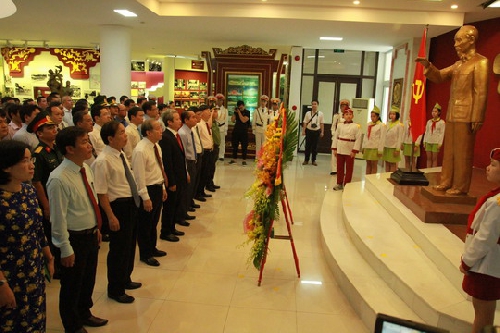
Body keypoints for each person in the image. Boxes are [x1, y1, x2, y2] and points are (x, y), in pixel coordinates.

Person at [47, 126, 108, 333]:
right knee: (72, 285)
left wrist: (97, 227)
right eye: (83, 142)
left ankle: (85, 312)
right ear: (69, 149)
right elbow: (58, 219)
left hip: (90, 233)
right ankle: (72, 325)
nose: (89, 146)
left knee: (88, 279)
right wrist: (65, 248)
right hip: (73, 239)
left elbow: (90, 203)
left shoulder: (85, 168)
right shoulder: (59, 178)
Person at [416, 25, 488, 195]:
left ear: (471, 40)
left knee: (462, 153)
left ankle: (460, 186)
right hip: (452, 113)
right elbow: (440, 76)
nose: (455, 44)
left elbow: (481, 92)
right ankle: (446, 181)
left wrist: (478, 116)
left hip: (467, 115)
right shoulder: (457, 65)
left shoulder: (480, 62)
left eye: (459, 39)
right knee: (449, 152)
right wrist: (429, 66)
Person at [0, 140, 54, 333]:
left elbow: (38, 229)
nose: (32, 165)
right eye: (24, 161)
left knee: (35, 317)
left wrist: (47, 255)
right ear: (6, 166)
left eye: (31, 159)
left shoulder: (28, 191)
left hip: (33, 269)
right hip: (9, 275)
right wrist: (2, 285)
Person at [92, 121, 142, 303]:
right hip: (117, 208)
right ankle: (115, 288)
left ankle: (125, 279)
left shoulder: (119, 154)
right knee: (119, 250)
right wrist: (110, 216)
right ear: (110, 138)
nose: (125, 135)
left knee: (129, 246)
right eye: (121, 133)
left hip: (130, 204)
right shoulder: (103, 160)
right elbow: (101, 192)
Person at [460, 148, 500, 333]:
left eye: (493, 165)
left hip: (486, 267)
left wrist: (467, 262)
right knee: (485, 312)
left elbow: (485, 238)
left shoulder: (496, 203)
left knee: (482, 314)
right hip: (490, 265)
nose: (488, 168)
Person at [132, 120, 168, 267]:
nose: (161, 131)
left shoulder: (156, 146)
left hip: (157, 187)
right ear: (148, 132)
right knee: (145, 224)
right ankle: (145, 254)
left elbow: (159, 168)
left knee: (154, 222)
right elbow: (139, 177)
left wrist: (163, 188)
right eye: (158, 129)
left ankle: (152, 248)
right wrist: (145, 198)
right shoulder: (140, 150)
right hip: (147, 189)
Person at [159, 111, 189, 242]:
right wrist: (171, 182)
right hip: (173, 179)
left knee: (176, 204)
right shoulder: (166, 137)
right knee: (169, 206)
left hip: (180, 176)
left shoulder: (176, 135)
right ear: (169, 122)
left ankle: (172, 227)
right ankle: (165, 231)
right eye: (176, 119)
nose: (179, 121)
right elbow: (168, 162)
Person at [332, 108, 361, 191]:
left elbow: (358, 139)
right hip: (340, 147)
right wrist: (334, 148)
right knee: (339, 167)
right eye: (346, 114)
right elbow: (336, 137)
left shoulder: (356, 126)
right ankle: (339, 183)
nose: (348, 116)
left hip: (350, 148)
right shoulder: (340, 125)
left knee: (349, 168)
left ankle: (347, 184)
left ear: (353, 116)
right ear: (343, 116)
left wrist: (354, 150)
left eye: (350, 114)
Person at [362, 106, 386, 175]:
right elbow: (366, 136)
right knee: (368, 163)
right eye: (371, 116)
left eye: (374, 116)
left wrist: (380, 150)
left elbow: (382, 138)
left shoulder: (382, 125)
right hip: (368, 146)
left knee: (374, 164)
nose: (372, 118)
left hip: (375, 147)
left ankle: (372, 179)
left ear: (378, 117)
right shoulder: (368, 124)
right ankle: (367, 179)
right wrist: (363, 146)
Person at [302, 100, 324, 166]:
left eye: (315, 104)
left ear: (317, 105)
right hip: (309, 131)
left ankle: (313, 160)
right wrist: (303, 131)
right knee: (307, 146)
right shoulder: (308, 113)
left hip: (316, 131)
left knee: (315, 147)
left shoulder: (321, 114)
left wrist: (322, 132)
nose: (314, 105)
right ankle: (306, 160)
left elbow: (322, 123)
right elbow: (305, 122)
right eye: (312, 104)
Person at [424, 103, 446, 168]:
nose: (434, 113)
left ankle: (433, 173)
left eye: (435, 111)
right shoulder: (429, 122)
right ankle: (427, 172)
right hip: (428, 141)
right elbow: (426, 132)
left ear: (439, 112)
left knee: (434, 159)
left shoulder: (442, 122)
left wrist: (440, 143)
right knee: (428, 158)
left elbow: (442, 134)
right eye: (433, 111)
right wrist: (424, 141)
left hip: (436, 142)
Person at [229, 100, 251, 166]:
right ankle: (234, 159)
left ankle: (244, 160)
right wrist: (234, 113)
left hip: (244, 131)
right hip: (236, 131)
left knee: (244, 146)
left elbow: (243, 120)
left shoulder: (247, 112)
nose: (240, 107)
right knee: (234, 145)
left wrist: (239, 112)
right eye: (239, 106)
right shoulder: (236, 112)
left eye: (241, 106)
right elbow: (232, 120)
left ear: (243, 105)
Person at [383, 106, 404, 172]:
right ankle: (386, 176)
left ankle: (391, 177)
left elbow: (399, 137)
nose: (392, 115)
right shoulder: (388, 123)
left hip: (394, 147)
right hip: (387, 146)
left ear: (397, 115)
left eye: (394, 114)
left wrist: (397, 149)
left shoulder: (399, 125)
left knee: (392, 163)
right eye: (391, 114)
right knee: (387, 162)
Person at [331, 99, 349, 175]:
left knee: (343, 154)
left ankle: (342, 170)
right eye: (342, 106)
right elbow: (333, 126)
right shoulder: (337, 116)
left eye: (345, 106)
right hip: (336, 137)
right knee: (334, 154)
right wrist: (334, 134)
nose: (343, 108)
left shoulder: (349, 115)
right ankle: (334, 169)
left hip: (345, 138)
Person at [215, 93, 228, 161]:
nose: (219, 101)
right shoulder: (214, 109)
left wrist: (226, 130)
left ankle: (221, 155)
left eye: (221, 100)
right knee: (215, 142)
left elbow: (226, 121)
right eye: (218, 100)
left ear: (223, 101)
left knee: (222, 142)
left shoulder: (225, 110)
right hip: (215, 128)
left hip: (222, 127)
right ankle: (215, 155)